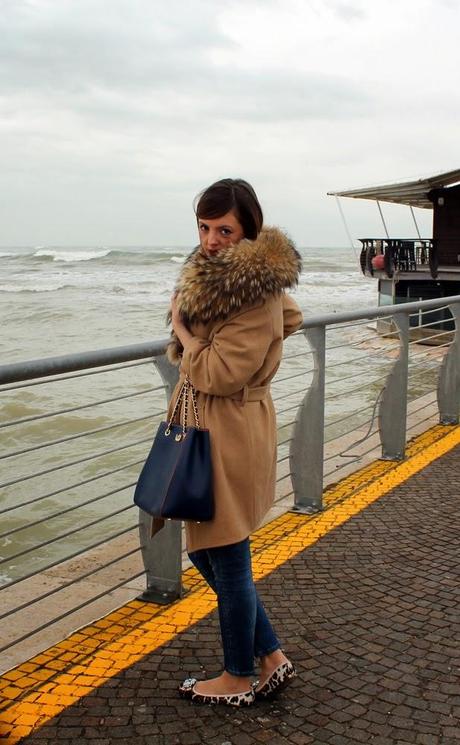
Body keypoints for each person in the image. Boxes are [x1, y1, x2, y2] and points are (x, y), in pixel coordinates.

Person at [167, 177, 303, 707]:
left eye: (224, 229)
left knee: (227, 558)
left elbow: (219, 372)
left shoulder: (252, 293)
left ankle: (237, 677)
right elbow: (288, 319)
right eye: (204, 227)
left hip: (229, 431)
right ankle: (270, 657)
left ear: (248, 231)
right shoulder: (233, 284)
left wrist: (182, 329)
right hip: (219, 428)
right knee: (214, 554)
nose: (210, 240)